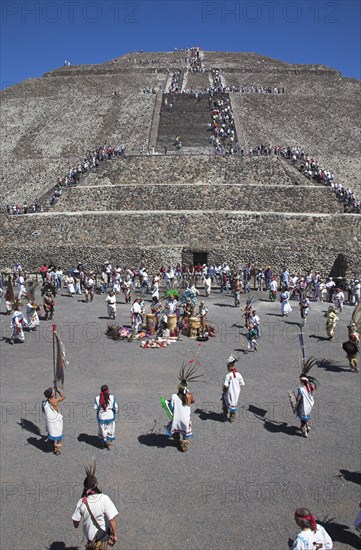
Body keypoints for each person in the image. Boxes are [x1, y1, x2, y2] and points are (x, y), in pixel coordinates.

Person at [72, 462, 118, 549]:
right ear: (96, 485)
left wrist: (76, 525)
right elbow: (112, 519)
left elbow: (75, 521)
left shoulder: (81, 502)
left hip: (90, 537)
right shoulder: (104, 498)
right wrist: (114, 535)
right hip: (102, 536)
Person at [162, 363, 202, 452]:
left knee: (174, 426)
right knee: (186, 430)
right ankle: (184, 444)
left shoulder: (174, 397)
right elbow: (193, 401)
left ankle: (176, 439)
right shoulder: (189, 396)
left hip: (177, 419)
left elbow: (171, 408)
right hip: (186, 420)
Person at [295, 361, 318, 437]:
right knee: (307, 415)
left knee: (302, 418)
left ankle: (304, 430)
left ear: (301, 381)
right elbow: (312, 393)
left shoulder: (301, 389)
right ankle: (308, 425)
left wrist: (296, 402)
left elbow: (298, 398)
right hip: (310, 404)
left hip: (303, 405)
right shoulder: (311, 386)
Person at [94, 385, 118, 449]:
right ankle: (109, 443)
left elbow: (96, 408)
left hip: (102, 417)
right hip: (110, 416)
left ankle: (102, 442)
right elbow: (115, 407)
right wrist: (115, 412)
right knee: (110, 429)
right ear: (108, 390)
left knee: (102, 429)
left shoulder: (97, 398)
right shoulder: (112, 397)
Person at [42, 387, 65, 455]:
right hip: (56, 421)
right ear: (52, 395)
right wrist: (58, 390)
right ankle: (57, 450)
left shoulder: (45, 403)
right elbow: (63, 397)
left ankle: (49, 445)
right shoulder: (55, 401)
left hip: (50, 423)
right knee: (59, 437)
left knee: (51, 433)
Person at [222, 355, 245, 422]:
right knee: (234, 404)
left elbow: (225, 386)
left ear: (229, 367)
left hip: (229, 393)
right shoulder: (238, 375)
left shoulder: (228, 376)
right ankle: (232, 416)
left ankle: (225, 413)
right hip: (236, 393)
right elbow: (242, 383)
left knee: (224, 401)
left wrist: (224, 390)